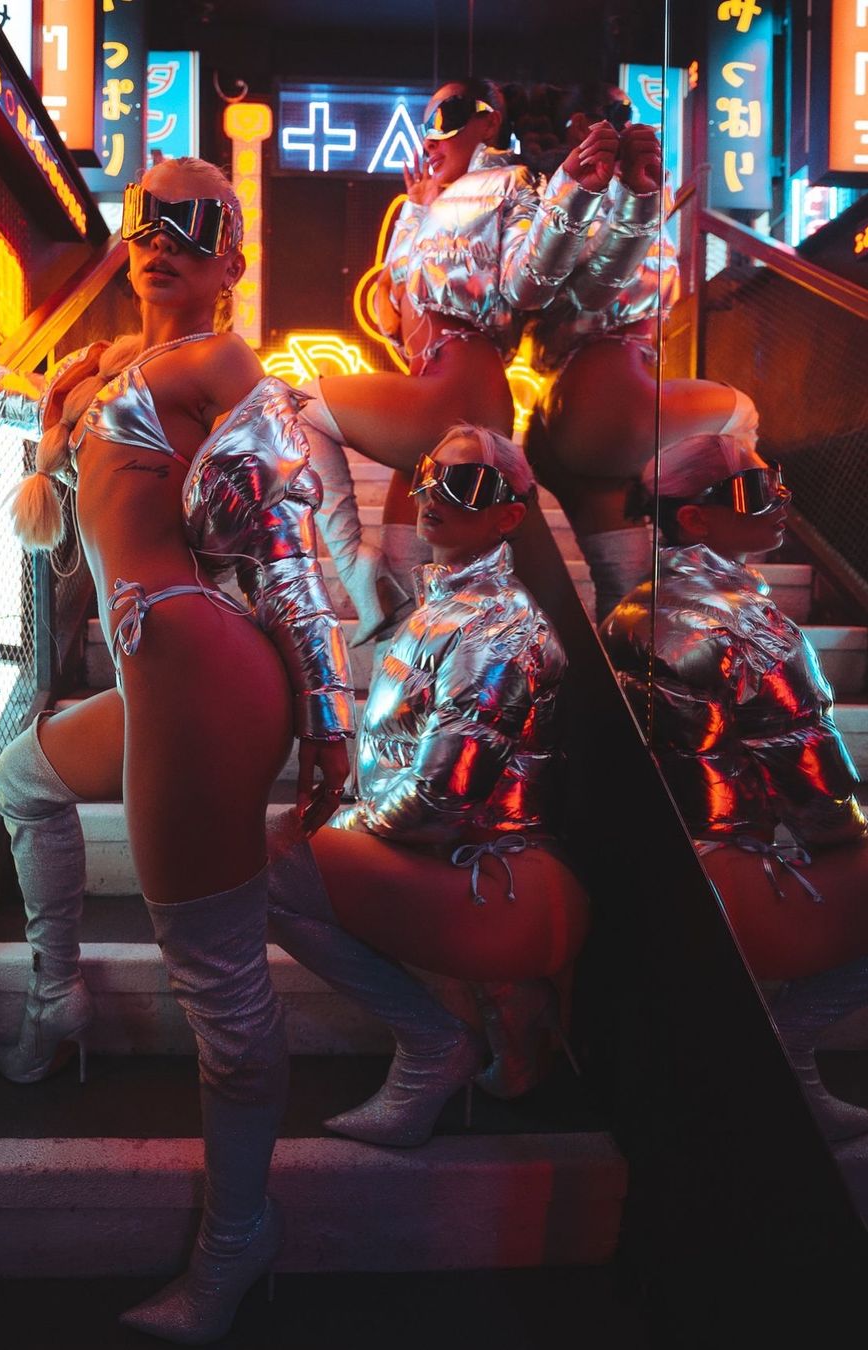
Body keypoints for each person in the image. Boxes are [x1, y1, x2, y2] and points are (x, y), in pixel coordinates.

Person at [0, 156, 354, 1344]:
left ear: (230, 259)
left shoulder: (219, 364)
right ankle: (58, 1000)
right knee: (20, 775)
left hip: (198, 664)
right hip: (163, 676)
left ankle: (240, 1243)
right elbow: (0, 398)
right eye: (147, 219)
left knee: (218, 985)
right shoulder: (103, 369)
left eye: (191, 227)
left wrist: (333, 725)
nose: (160, 240)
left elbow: (293, 548)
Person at [266, 425, 590, 1145]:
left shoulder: (494, 626)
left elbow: (444, 799)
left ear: (510, 514)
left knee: (266, 863)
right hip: (461, 862)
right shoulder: (446, 608)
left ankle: (435, 1043)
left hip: (490, 876)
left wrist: (344, 829)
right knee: (283, 853)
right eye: (427, 474)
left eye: (465, 484)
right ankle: (483, 1027)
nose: (432, 495)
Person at [299, 76, 646, 642]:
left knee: (293, 405)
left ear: (489, 121)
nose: (430, 137)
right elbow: (391, 315)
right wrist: (417, 212)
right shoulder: (436, 206)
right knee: (416, 613)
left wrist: (576, 192)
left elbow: (529, 283)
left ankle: (359, 574)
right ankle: (407, 659)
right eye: (426, 122)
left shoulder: (509, 183)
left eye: (449, 116)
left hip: (457, 389)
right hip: (430, 386)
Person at [601, 433, 868, 1142]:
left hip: (643, 871)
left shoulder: (629, 608)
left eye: (776, 482)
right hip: (723, 876)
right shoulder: (754, 627)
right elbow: (819, 805)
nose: (781, 501)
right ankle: (780, 1054)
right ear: (694, 519)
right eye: (756, 491)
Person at [521, 84, 759, 621]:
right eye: (620, 113)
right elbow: (605, 281)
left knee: (625, 595)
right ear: (581, 127)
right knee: (739, 411)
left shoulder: (557, 200)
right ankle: (722, 564)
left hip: (567, 418)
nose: (629, 123)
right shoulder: (604, 194)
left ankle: (625, 698)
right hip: (613, 399)